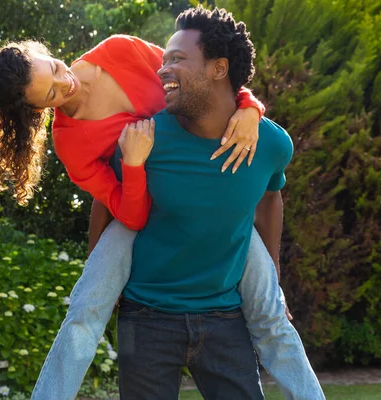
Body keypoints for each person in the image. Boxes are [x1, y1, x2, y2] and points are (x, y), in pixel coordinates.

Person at [0, 10, 324, 400]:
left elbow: (201, 73)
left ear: (46, 53)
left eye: (55, 68)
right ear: (38, 110)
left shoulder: (120, 50)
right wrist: (134, 165)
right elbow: (127, 213)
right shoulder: (71, 143)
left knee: (272, 312)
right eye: (52, 94)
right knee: (85, 311)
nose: (66, 83)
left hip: (203, 189)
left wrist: (248, 106)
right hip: (135, 208)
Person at [111, 6, 307, 398]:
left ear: (219, 68)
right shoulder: (144, 139)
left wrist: (272, 281)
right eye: (164, 60)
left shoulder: (270, 144)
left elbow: (271, 199)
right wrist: (105, 283)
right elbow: (107, 203)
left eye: (177, 59)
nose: (162, 70)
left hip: (225, 316)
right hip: (145, 314)